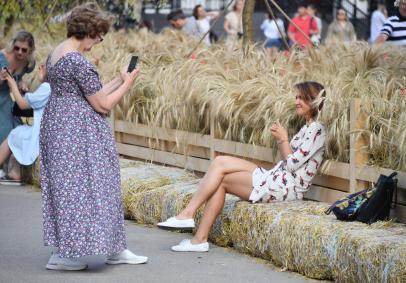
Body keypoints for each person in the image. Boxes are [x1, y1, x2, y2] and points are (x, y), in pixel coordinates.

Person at [158, 81, 327, 252]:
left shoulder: (318, 129)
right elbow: (290, 160)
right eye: (296, 97)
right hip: (276, 178)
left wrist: (283, 139)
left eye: (302, 98)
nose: (296, 101)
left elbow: (291, 165)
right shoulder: (307, 128)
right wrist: (282, 139)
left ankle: (194, 229)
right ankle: (192, 226)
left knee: (221, 180)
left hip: (285, 188)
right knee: (219, 162)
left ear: (313, 100)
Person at [40, 3, 147, 271]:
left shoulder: (57, 53)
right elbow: (102, 105)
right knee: (90, 189)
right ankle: (71, 255)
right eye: (98, 36)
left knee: (71, 188)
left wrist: (119, 79)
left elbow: (89, 91)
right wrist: (129, 85)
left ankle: (106, 248)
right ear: (88, 31)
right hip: (78, 134)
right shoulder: (76, 60)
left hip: (62, 127)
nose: (98, 42)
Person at [0, 64, 50, 184]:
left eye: (45, 66)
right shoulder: (58, 88)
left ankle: (15, 174)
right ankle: (15, 172)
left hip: (41, 137)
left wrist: (12, 84)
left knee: (14, 133)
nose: (41, 67)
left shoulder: (47, 87)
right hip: (48, 134)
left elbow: (22, 105)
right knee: (20, 131)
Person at [0, 31, 35, 178]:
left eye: (24, 50)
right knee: (4, 129)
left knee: (15, 127)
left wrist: (21, 84)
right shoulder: (2, 57)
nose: (20, 52)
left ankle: (9, 169)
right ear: (12, 46)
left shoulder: (28, 63)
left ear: (30, 50)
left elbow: (18, 78)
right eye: (17, 48)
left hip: (6, 98)